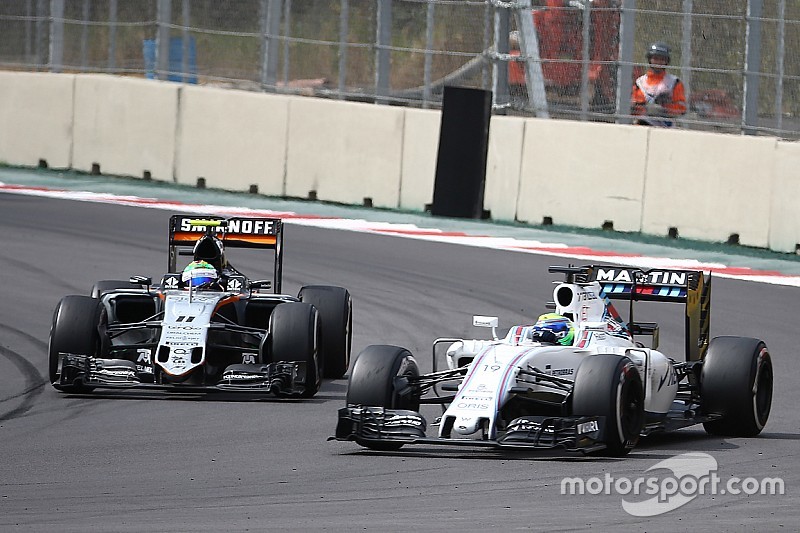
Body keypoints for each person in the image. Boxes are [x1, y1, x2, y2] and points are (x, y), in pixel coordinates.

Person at [631, 42, 687, 127]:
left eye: (662, 59)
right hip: (642, 125)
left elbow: (682, 108)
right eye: (655, 58)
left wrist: (664, 108)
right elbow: (634, 107)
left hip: (665, 127)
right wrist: (646, 108)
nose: (658, 62)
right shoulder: (640, 82)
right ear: (650, 59)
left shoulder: (674, 82)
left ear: (667, 61)